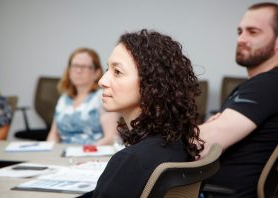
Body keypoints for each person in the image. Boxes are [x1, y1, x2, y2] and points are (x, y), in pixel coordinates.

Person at [82, 29, 204, 197]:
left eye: (117, 72)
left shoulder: (132, 160)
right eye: (107, 69)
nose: (102, 81)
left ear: (151, 85)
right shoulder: (176, 143)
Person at [200, 2, 278, 198]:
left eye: (252, 32)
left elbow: (201, 146)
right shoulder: (261, 85)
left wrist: (206, 131)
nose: (241, 39)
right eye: (240, 31)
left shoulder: (271, 85)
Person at [47, 48, 119, 145]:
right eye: (75, 65)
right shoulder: (63, 99)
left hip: (93, 156)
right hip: (62, 156)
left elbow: (111, 138)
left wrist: (85, 152)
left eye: (84, 66)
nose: (78, 70)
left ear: (96, 73)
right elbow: (53, 135)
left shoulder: (103, 96)